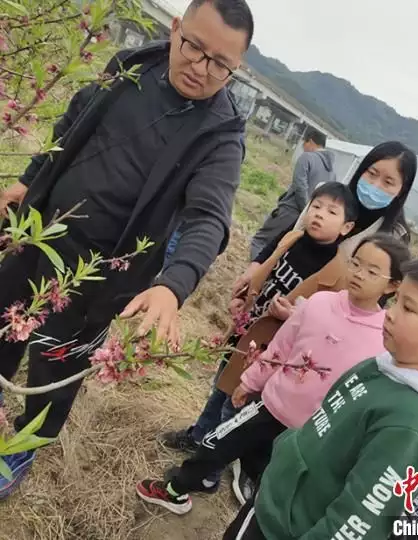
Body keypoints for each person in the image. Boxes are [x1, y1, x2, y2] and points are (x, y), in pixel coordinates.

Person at [0, 0, 254, 498]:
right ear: (176, 28)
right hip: (39, 236)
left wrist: (172, 286)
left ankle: (19, 452)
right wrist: (29, 183)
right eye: (194, 47)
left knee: (58, 368)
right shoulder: (131, 70)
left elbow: (209, 218)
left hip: (101, 275)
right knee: (2, 323)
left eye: (220, 64)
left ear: (236, 68)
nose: (202, 68)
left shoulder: (220, 137)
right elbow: (72, 124)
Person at [221, 256, 418, 539]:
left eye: (409, 308)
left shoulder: (410, 425)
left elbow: (357, 521)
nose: (390, 313)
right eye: (396, 301)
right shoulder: (380, 365)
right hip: (279, 500)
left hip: (285, 528)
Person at [135, 234, 411, 515]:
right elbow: (282, 347)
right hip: (268, 405)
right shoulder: (319, 303)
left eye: (372, 271)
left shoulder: (381, 341)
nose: (359, 274)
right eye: (356, 263)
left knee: (269, 478)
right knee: (215, 444)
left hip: (307, 434)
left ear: (393, 285)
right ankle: (177, 490)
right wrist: (250, 380)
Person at [159, 182, 357, 495]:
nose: (319, 214)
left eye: (331, 212)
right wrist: (242, 297)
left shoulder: (339, 277)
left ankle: (210, 469)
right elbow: (263, 272)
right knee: (220, 388)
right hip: (246, 330)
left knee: (235, 407)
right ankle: (199, 436)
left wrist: (294, 316)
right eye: (316, 206)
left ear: (347, 227)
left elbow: (325, 329)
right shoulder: (292, 238)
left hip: (269, 351)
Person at [236, 141, 417, 299]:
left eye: (388, 182)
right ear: (362, 170)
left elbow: (377, 297)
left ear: (402, 190)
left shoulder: (394, 236)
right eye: (372, 173)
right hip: (273, 289)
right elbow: (290, 234)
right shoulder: (330, 198)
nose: (375, 185)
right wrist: (256, 266)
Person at [249, 130, 336, 260]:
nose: (303, 147)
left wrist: (305, 210)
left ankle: (252, 276)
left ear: (310, 141)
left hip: (291, 211)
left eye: (303, 143)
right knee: (282, 251)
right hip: (307, 222)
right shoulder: (332, 173)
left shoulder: (307, 157)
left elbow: (300, 185)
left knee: (260, 241)